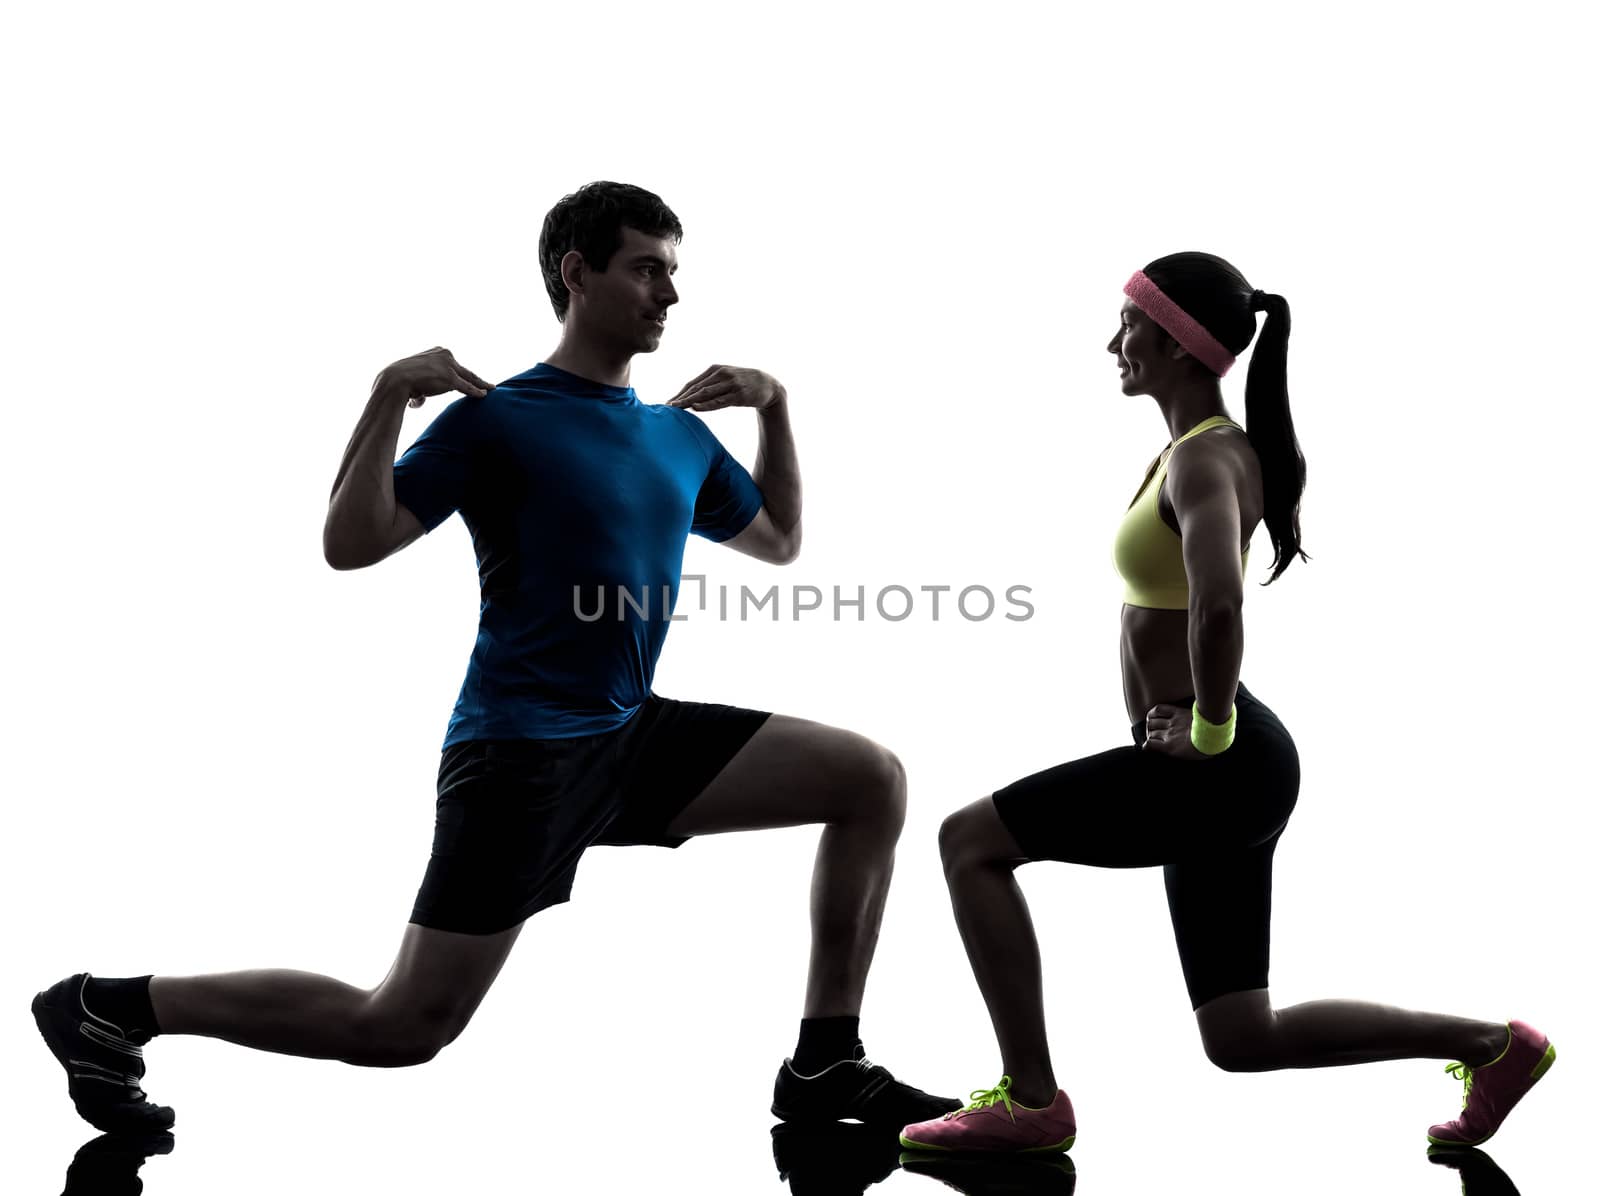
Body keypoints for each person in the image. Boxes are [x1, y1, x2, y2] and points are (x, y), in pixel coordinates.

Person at [33, 181, 958, 1134]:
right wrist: (389, 392)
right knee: (399, 1024)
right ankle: (108, 1008)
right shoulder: (497, 417)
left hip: (631, 732)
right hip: (521, 753)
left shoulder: (678, 434)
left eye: (674, 273)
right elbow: (353, 542)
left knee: (868, 778)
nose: (669, 296)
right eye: (647, 269)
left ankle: (824, 1064)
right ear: (577, 273)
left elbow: (777, 542)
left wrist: (776, 408)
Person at [899, 253, 1555, 1154]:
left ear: (1176, 343)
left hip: (1220, 766)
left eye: (1128, 326)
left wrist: (1209, 729)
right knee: (1241, 1039)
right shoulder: (1187, 450)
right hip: (1231, 769)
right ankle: (1494, 1047)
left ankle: (1032, 1103)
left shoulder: (1206, 459)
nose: (1112, 343)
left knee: (968, 841)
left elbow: (1219, 601)